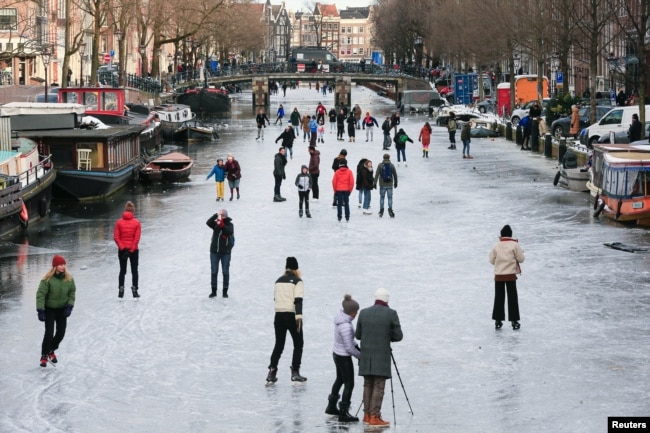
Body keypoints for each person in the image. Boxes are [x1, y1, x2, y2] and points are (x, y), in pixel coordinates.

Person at [355, 288, 403, 427]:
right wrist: (387, 336)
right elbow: (398, 336)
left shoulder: (363, 313)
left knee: (368, 384)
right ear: (387, 299)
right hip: (381, 355)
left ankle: (367, 415)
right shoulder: (391, 313)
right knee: (378, 386)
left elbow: (358, 335)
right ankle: (375, 417)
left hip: (366, 355)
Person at [266, 257, 307, 384]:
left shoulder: (278, 281)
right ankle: (295, 372)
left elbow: (275, 298)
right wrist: (298, 317)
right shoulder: (297, 281)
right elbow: (298, 300)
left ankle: (272, 372)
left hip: (278, 315)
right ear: (296, 269)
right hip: (291, 315)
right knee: (298, 343)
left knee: (279, 344)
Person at [325, 294, 361, 422]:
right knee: (349, 384)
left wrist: (358, 347)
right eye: (356, 312)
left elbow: (351, 341)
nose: (357, 314)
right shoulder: (345, 326)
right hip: (343, 358)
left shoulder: (341, 317)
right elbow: (349, 348)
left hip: (336, 353)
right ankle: (343, 413)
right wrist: (360, 356)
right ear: (352, 313)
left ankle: (331, 407)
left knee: (339, 379)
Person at [36, 255, 76, 367]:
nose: (63, 267)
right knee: (49, 333)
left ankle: (51, 350)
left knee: (61, 333)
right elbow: (40, 295)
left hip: (62, 310)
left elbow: (72, 293)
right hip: (50, 310)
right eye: (60, 265)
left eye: (64, 264)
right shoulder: (47, 280)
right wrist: (40, 310)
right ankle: (44, 356)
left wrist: (70, 306)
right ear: (55, 266)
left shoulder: (69, 279)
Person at [489, 224, 525, 330]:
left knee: (499, 297)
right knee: (512, 297)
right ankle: (514, 321)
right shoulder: (514, 245)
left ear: (501, 235)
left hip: (499, 275)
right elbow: (521, 259)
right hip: (510, 275)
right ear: (511, 234)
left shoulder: (496, 245)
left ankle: (498, 320)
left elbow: (491, 260)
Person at [113, 201, 142, 298]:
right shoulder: (137, 223)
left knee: (122, 270)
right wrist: (131, 250)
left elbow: (116, 237)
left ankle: (121, 289)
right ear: (133, 211)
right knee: (134, 271)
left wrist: (123, 248)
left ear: (125, 210)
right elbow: (136, 239)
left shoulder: (119, 222)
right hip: (133, 251)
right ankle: (135, 289)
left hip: (122, 251)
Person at [206, 209, 234, 298]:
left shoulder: (230, 224)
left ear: (225, 216)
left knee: (225, 271)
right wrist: (216, 214)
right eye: (220, 216)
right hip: (214, 252)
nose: (220, 217)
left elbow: (229, 231)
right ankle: (213, 291)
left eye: (222, 216)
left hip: (225, 253)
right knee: (214, 271)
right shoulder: (216, 224)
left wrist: (222, 225)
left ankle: (225, 291)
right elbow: (208, 222)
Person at [373, 153, 398, 218]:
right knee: (390, 198)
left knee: (382, 197)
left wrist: (374, 183)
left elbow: (377, 174)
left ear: (383, 158)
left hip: (382, 184)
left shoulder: (380, 165)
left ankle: (381, 210)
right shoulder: (392, 165)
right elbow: (395, 174)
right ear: (389, 158)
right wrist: (396, 182)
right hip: (390, 184)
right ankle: (390, 210)